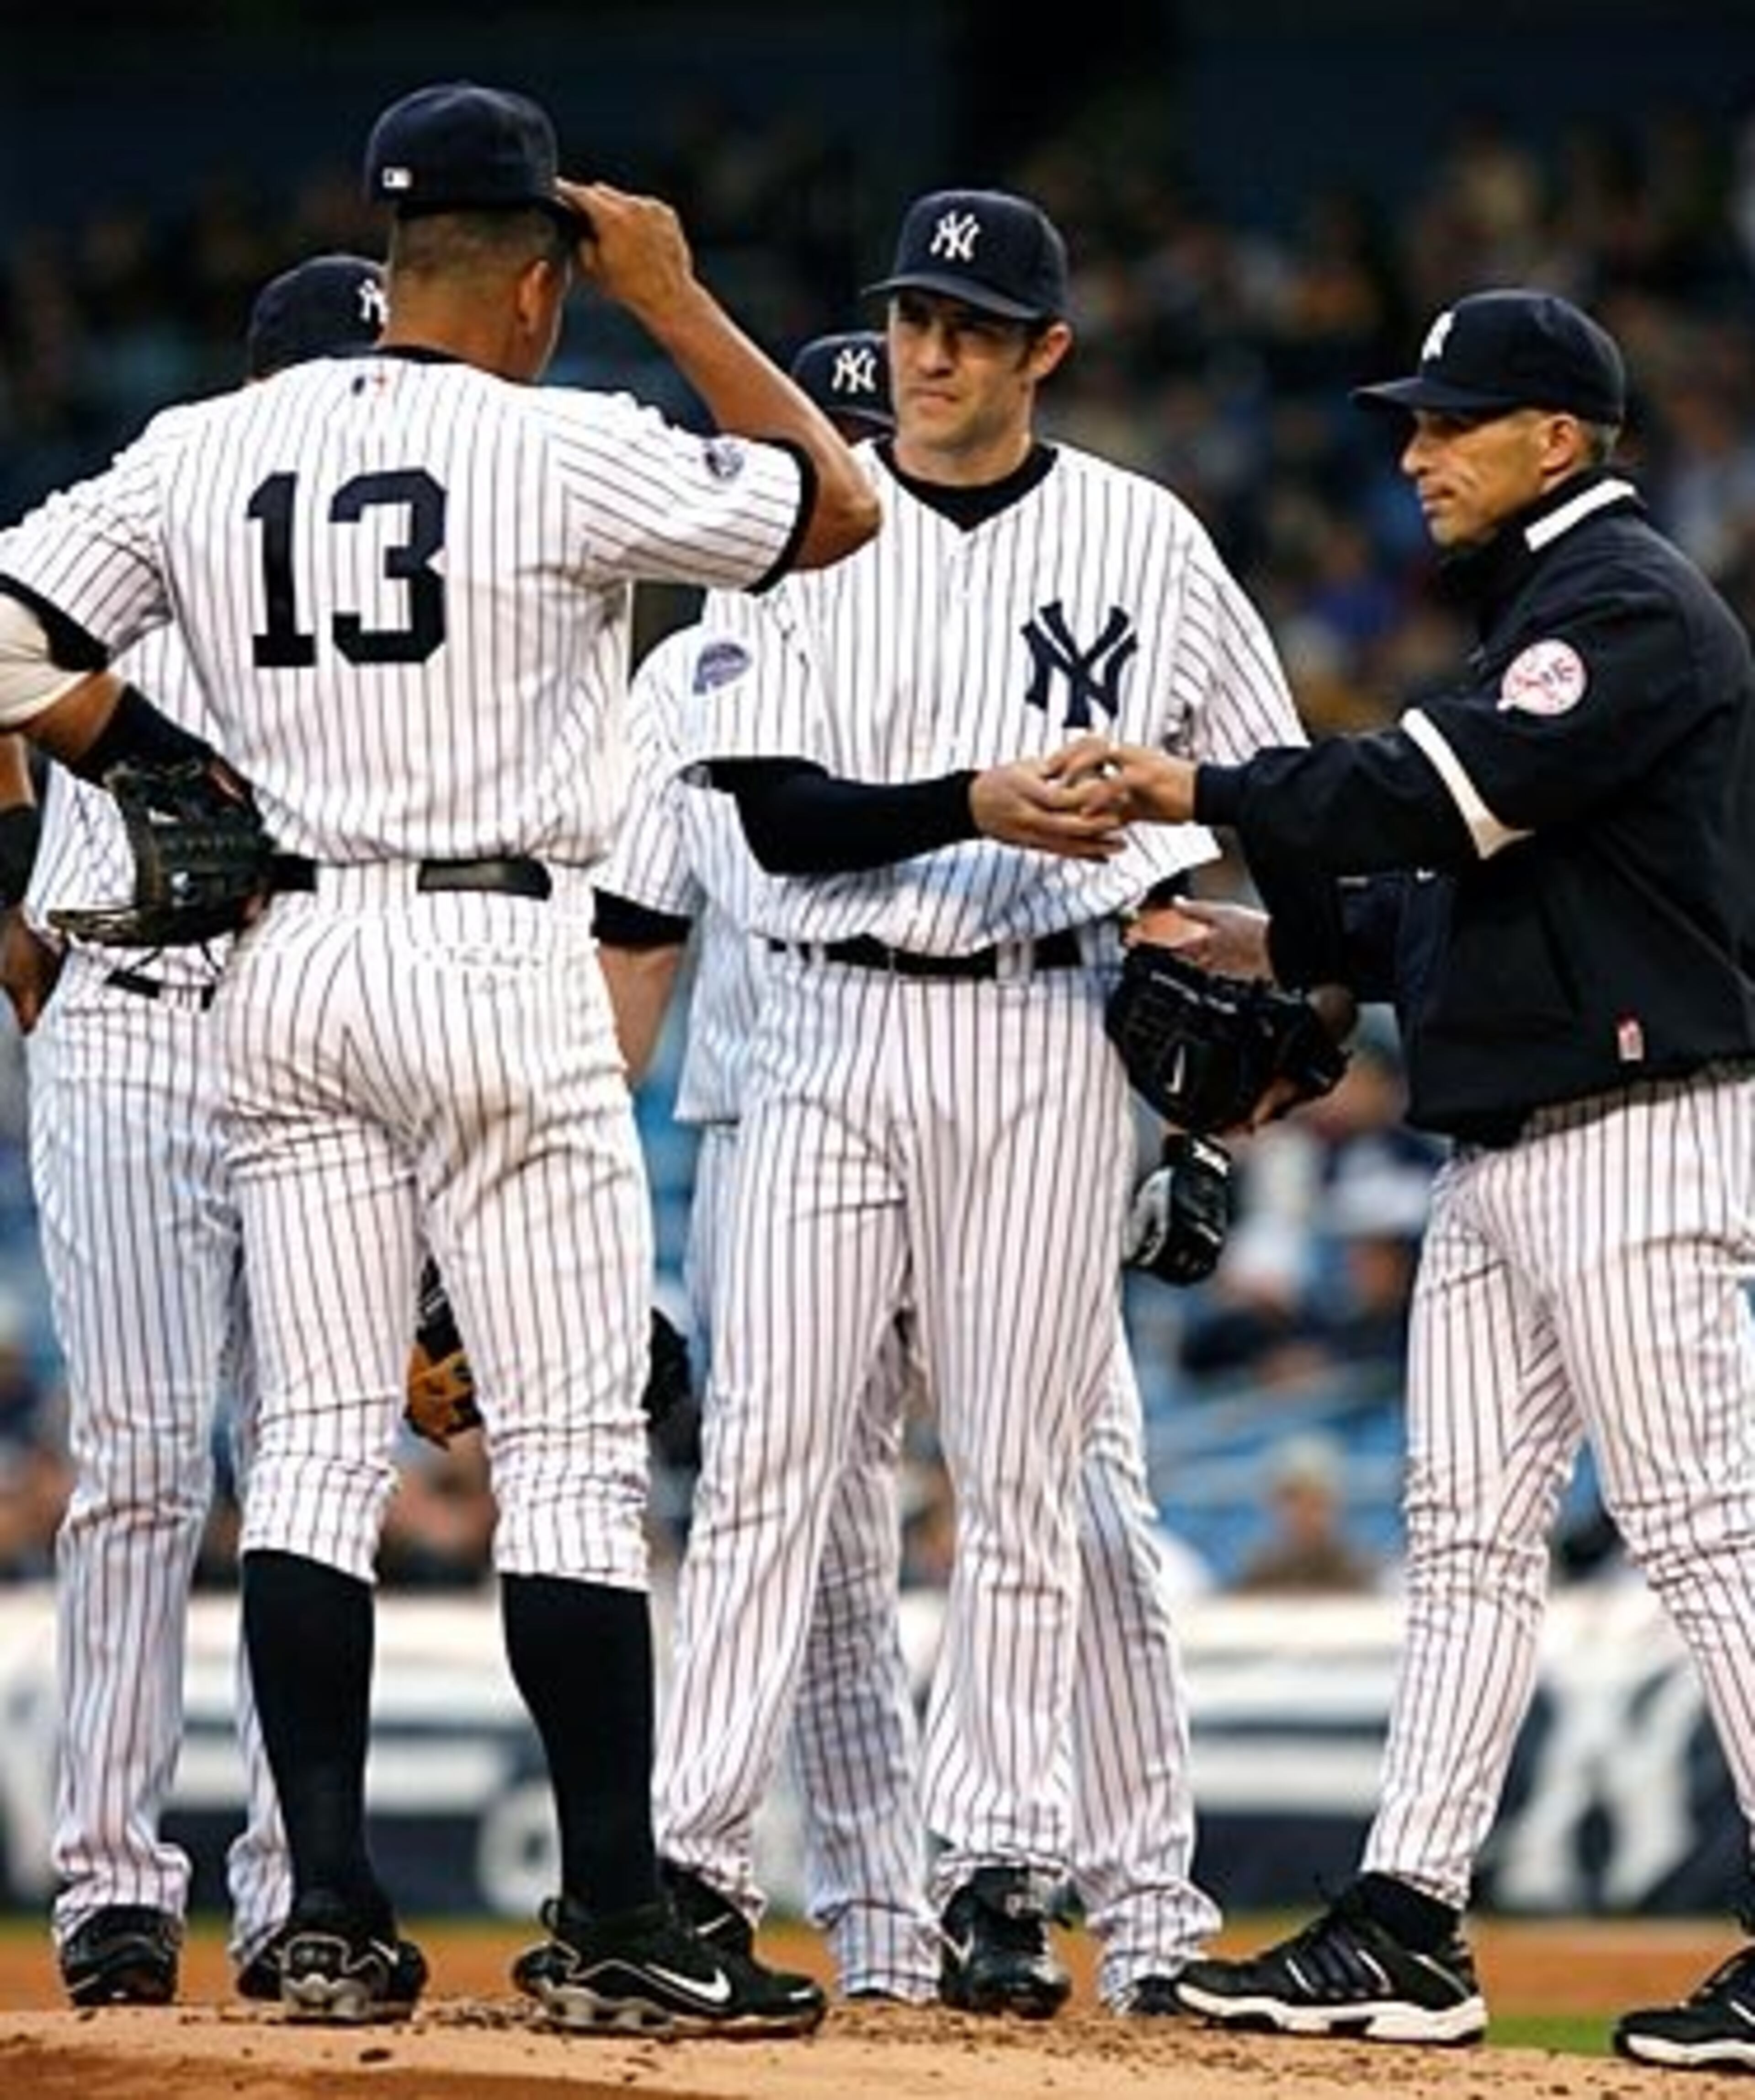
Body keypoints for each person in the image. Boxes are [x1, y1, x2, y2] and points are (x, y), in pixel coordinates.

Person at [0, 78, 877, 2036]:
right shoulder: (560, 439)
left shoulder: (205, 444)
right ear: (542, 285)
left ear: (390, 261)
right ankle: (622, 1915)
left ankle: (320, 1910)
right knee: (565, 1453)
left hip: (284, 956)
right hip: (492, 948)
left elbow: (5, 630)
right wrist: (682, 299)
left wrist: (148, 759)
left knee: (314, 1450)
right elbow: (838, 507)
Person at [644, 187, 1305, 2019]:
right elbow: (777, 814)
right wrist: (977, 803)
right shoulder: (798, 524)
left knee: (1024, 1476)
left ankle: (1000, 1871)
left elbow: (1262, 777)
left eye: (972, 327)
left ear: (1045, 351)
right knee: (768, 1461)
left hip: (1048, 1025)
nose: (931, 352)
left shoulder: (1144, 535)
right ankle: (691, 1868)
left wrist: (1243, 997)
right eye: (914, 319)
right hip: (826, 1032)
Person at [1084, 288, 1755, 2070]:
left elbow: (1425, 798)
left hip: (1639, 1130)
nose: (1414, 450)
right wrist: (1269, 936)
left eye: (1453, 421)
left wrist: (1201, 786)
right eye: (1415, 418)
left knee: (1706, 1529)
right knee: (1461, 1543)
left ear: (1558, 438)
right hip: (1507, 1143)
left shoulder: (1624, 603)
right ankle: (1407, 1923)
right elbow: (1458, 900)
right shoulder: (1535, 610)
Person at [0, 254, 387, 2010]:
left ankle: (298, 1884)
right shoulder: (154, 498)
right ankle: (112, 1882)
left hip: (311, 1006)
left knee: (311, 1460)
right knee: (146, 1462)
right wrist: (16, 891)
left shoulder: (411, 549)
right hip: (134, 1005)